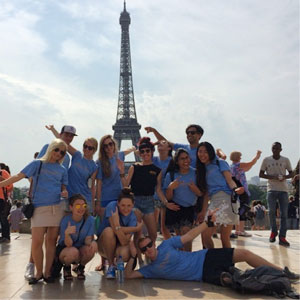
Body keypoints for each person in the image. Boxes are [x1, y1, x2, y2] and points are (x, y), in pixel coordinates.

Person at [123, 209, 299, 286]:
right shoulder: (150, 270)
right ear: (143, 252)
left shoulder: (166, 245)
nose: (148, 249)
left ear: (153, 243)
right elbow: (129, 275)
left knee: (244, 253)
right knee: (231, 281)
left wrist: (207, 223)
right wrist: (132, 255)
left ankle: (282, 272)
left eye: (149, 245)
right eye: (144, 249)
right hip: (204, 275)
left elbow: (190, 236)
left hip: (205, 257)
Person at [0, 139, 68, 284]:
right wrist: (1, 184)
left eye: (62, 152)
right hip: (39, 208)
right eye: (57, 149)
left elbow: (63, 187)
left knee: (51, 242)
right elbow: (18, 176)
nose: (59, 153)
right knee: (37, 242)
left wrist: (65, 192)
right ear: (51, 149)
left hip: (56, 208)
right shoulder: (37, 164)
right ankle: (38, 272)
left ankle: (47, 272)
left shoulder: (62, 170)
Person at [24, 125, 77, 280]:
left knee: (51, 239)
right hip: (41, 201)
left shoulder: (67, 156)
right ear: (60, 134)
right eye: (66, 135)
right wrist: (32, 191)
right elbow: (37, 169)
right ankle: (32, 265)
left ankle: (47, 270)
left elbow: (62, 180)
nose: (68, 138)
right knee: (37, 238)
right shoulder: (48, 147)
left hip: (56, 202)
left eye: (71, 136)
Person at [94, 134, 135, 271]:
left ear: (114, 144)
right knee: (105, 229)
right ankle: (104, 261)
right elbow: (98, 183)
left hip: (118, 200)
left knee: (117, 226)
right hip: (105, 200)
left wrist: (135, 147)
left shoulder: (120, 156)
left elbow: (128, 151)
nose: (108, 147)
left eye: (110, 144)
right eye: (105, 145)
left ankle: (117, 255)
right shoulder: (100, 162)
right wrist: (98, 203)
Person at [196, 142, 244, 249]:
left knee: (224, 237)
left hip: (226, 199)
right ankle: (214, 259)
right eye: (200, 151)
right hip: (214, 201)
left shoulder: (220, 162)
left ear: (211, 152)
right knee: (205, 235)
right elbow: (206, 193)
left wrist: (236, 189)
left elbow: (229, 180)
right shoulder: (202, 169)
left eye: (205, 152)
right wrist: (203, 210)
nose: (202, 154)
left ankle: (228, 264)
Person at [46, 125, 98, 213]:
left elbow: (92, 186)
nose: (86, 149)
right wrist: (53, 129)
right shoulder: (77, 155)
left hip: (83, 198)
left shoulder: (94, 167)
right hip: (69, 196)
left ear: (94, 150)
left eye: (90, 148)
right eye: (85, 146)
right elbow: (62, 142)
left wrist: (92, 205)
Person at [97, 188, 142, 279]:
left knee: (124, 253)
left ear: (133, 205)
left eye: (129, 206)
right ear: (118, 203)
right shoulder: (112, 206)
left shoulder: (133, 217)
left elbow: (124, 242)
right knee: (109, 231)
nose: (126, 209)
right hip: (103, 245)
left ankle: (117, 263)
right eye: (123, 205)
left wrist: (117, 224)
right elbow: (112, 230)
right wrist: (134, 228)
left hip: (119, 244)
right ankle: (111, 266)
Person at [163, 148, 202, 251]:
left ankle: (187, 257)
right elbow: (168, 197)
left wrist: (195, 189)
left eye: (187, 158)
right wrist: (171, 187)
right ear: (177, 161)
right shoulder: (171, 175)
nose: (186, 161)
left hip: (189, 208)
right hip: (176, 208)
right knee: (180, 237)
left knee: (186, 233)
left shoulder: (196, 173)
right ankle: (183, 259)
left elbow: (201, 193)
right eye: (182, 159)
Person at [54, 194, 97, 280]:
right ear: (71, 207)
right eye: (77, 205)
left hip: (79, 249)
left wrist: (93, 242)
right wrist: (67, 234)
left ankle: (81, 267)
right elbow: (68, 244)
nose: (81, 208)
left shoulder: (90, 220)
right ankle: (66, 267)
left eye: (83, 205)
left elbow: (87, 240)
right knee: (72, 251)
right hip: (66, 250)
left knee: (91, 249)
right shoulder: (65, 220)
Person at [259, 142, 293, 247]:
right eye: (274, 148)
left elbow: (292, 173)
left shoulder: (285, 160)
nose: (275, 150)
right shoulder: (266, 160)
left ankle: (282, 236)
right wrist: (272, 177)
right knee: (272, 212)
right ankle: (273, 231)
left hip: (283, 190)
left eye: (277, 148)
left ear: (281, 149)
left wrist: (284, 177)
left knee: (284, 214)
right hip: (271, 189)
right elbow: (261, 174)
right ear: (271, 149)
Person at [229, 150, 262, 237]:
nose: (241, 158)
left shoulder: (231, 167)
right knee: (243, 210)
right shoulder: (238, 165)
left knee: (238, 210)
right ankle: (241, 230)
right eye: (240, 156)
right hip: (242, 191)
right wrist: (257, 156)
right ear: (237, 157)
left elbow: (248, 167)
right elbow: (250, 163)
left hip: (236, 191)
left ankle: (237, 230)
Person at [152, 140, 172, 239]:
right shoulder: (154, 159)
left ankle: (170, 247)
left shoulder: (172, 161)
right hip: (155, 194)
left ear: (169, 148)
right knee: (152, 225)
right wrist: (152, 144)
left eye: (163, 143)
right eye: (159, 143)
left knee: (164, 227)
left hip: (168, 195)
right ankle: (151, 249)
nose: (160, 143)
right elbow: (139, 151)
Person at [0, 164, 13, 243]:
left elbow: (10, 186)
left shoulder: (3, 172)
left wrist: (2, 179)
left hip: (1, 199)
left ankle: (6, 236)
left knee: (3, 218)